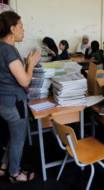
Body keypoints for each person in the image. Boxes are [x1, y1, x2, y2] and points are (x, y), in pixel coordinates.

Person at [0, 11, 41, 182]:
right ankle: (14, 173)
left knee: (13, 136)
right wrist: (31, 64)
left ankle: (3, 166)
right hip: (14, 103)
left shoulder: (1, 48)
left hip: (3, 102)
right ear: (12, 29)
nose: (23, 30)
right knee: (18, 139)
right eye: (21, 26)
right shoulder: (8, 51)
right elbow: (24, 81)